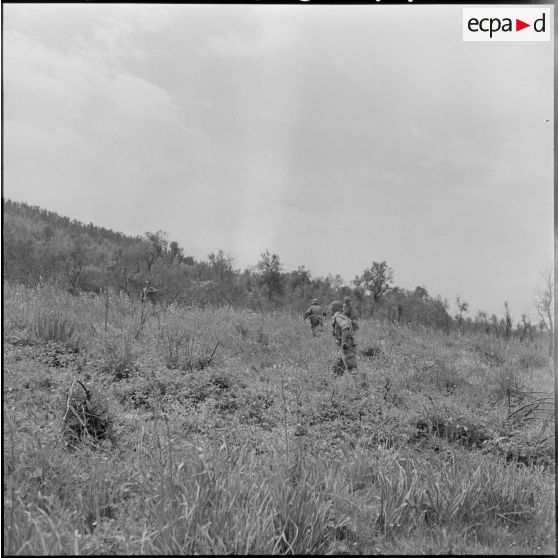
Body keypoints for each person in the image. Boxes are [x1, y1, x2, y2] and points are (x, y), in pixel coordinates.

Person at [329, 300, 357, 376]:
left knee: (352, 370)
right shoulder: (344, 316)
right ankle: (335, 387)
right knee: (335, 370)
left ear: (335, 308)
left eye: (331, 308)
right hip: (345, 347)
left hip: (346, 347)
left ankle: (360, 386)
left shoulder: (338, 317)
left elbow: (345, 328)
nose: (330, 309)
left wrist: (343, 342)